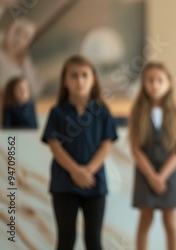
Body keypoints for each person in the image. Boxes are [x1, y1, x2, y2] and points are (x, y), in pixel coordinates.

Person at [41, 55, 118, 250]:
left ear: (93, 79)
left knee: (94, 240)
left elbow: (106, 144)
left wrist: (89, 170)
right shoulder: (57, 112)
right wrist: (75, 171)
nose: (79, 80)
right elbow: (54, 145)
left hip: (95, 182)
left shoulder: (102, 111)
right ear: (65, 81)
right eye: (74, 76)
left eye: (85, 75)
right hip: (64, 183)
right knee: (66, 239)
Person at [128, 62, 176, 250]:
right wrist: (152, 176)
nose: (155, 85)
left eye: (160, 80)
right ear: (143, 83)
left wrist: (162, 176)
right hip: (145, 174)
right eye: (150, 80)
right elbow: (135, 148)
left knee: (170, 223)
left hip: (169, 174)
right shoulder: (137, 112)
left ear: (169, 83)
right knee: (145, 221)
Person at [0, 18, 43, 125]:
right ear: (8, 30)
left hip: (20, 116)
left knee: (15, 139)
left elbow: (35, 89)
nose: (19, 39)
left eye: (26, 37)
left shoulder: (25, 61)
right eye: (17, 32)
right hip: (4, 113)